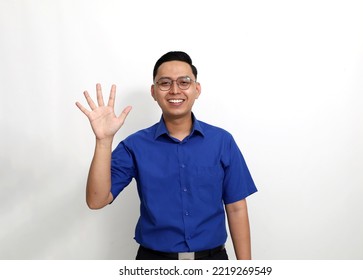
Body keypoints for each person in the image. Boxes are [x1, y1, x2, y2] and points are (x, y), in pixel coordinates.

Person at [75, 51, 257, 260]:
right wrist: (103, 141)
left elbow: (236, 209)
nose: (174, 90)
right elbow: (96, 200)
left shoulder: (222, 141)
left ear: (197, 89)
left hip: (212, 260)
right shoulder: (135, 145)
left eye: (184, 82)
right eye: (165, 83)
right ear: (153, 91)